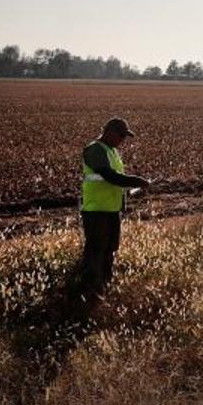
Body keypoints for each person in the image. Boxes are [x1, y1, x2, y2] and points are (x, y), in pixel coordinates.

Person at [78, 117, 152, 295]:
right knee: (96, 252)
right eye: (121, 135)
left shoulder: (112, 151)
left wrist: (133, 190)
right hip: (96, 211)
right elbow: (110, 177)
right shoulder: (94, 150)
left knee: (109, 250)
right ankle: (90, 291)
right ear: (109, 132)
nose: (122, 140)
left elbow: (112, 183)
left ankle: (104, 287)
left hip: (111, 210)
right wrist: (137, 181)